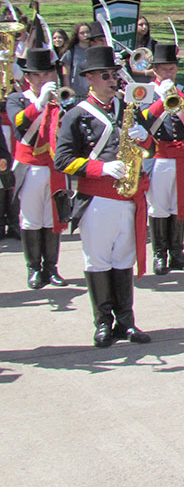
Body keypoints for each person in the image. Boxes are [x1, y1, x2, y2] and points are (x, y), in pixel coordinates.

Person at [54, 45, 154, 347]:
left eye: (114, 75)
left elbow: (152, 150)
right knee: (97, 260)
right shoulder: (76, 115)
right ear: (89, 79)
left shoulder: (129, 109)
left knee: (123, 259)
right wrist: (101, 167)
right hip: (96, 199)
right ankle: (102, 323)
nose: (112, 81)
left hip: (127, 196)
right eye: (105, 76)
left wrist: (144, 137)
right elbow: (62, 160)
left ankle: (126, 321)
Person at [6, 48, 70, 288]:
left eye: (47, 74)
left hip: (54, 167)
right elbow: (19, 124)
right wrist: (40, 103)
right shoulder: (18, 99)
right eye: (38, 75)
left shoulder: (61, 99)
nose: (44, 79)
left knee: (52, 218)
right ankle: (33, 269)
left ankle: (51, 268)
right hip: (30, 165)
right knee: (31, 218)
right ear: (28, 78)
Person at [140, 44, 184, 275]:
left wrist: (179, 99)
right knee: (158, 207)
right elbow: (143, 121)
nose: (169, 73)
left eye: (172, 69)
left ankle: (177, 253)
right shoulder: (146, 92)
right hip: (158, 157)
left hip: (181, 157)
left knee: (179, 207)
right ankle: (160, 254)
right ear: (155, 70)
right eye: (164, 69)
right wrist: (162, 99)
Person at [61, 22, 98, 98]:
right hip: (76, 95)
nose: (85, 35)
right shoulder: (71, 52)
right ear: (77, 35)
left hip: (93, 94)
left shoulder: (95, 50)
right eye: (82, 33)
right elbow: (66, 74)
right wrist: (68, 91)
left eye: (87, 32)